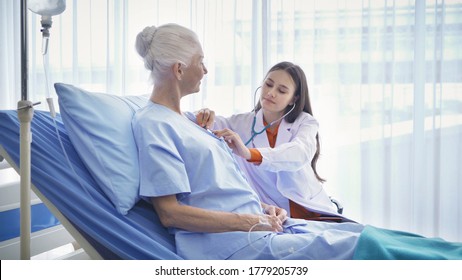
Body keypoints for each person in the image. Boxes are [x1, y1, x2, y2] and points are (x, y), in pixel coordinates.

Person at [132, 23, 462, 260]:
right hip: (235, 244)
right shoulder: (157, 124)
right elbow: (171, 213)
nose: (205, 70)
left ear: (294, 99)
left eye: (282, 89)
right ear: (178, 69)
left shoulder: (186, 123)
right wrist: (253, 218)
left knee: (373, 235)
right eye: (200, 62)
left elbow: (285, 158)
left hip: (275, 221)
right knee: (376, 250)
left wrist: (261, 207)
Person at [195, 61, 343, 221]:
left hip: (311, 210)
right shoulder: (242, 123)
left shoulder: (305, 122)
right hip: (274, 214)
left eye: (281, 90)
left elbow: (299, 153)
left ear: (293, 99)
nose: (271, 93)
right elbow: (192, 120)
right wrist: (204, 113)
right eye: (268, 84)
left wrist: (250, 154)